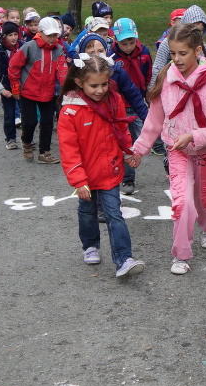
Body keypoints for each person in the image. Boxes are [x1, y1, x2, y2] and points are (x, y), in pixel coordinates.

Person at [128, 22, 206, 275]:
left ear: (197, 51)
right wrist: (138, 149)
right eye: (173, 53)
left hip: (205, 152)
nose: (177, 59)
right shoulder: (167, 79)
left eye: (182, 53)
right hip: (177, 151)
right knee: (182, 203)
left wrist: (194, 135)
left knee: (205, 200)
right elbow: (154, 121)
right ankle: (181, 255)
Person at [57, 52, 146, 278]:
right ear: (79, 82)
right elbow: (69, 149)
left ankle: (124, 258)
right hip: (85, 176)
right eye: (93, 85)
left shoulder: (114, 100)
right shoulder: (70, 111)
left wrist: (128, 153)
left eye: (104, 84)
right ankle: (90, 245)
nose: (100, 90)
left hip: (110, 169)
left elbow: (121, 130)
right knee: (87, 211)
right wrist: (78, 181)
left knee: (114, 213)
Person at [9, 15, 68, 164]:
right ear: (40, 33)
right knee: (30, 122)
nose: (53, 38)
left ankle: (44, 152)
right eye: (50, 35)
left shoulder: (59, 49)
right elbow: (14, 67)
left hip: (48, 92)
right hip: (28, 92)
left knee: (48, 122)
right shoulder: (29, 47)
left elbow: (62, 70)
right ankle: (26, 143)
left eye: (55, 35)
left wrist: (67, 88)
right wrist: (15, 88)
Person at [112, 17, 152, 194]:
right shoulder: (111, 58)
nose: (128, 46)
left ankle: (130, 177)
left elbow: (149, 74)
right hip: (118, 106)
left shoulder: (144, 53)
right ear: (115, 41)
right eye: (124, 43)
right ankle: (122, 178)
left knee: (136, 141)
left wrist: (149, 92)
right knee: (119, 143)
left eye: (131, 42)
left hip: (137, 103)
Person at [150, 5, 206, 85]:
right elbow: (157, 70)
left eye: (200, 30)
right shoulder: (167, 43)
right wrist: (152, 92)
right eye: (192, 30)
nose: (197, 34)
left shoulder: (204, 48)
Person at [0, 22, 22, 149]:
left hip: (21, 87)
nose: (13, 38)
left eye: (15, 34)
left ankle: (26, 139)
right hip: (6, 88)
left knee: (26, 114)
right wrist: (1, 90)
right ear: (4, 36)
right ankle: (10, 139)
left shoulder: (22, 48)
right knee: (9, 115)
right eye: (10, 35)